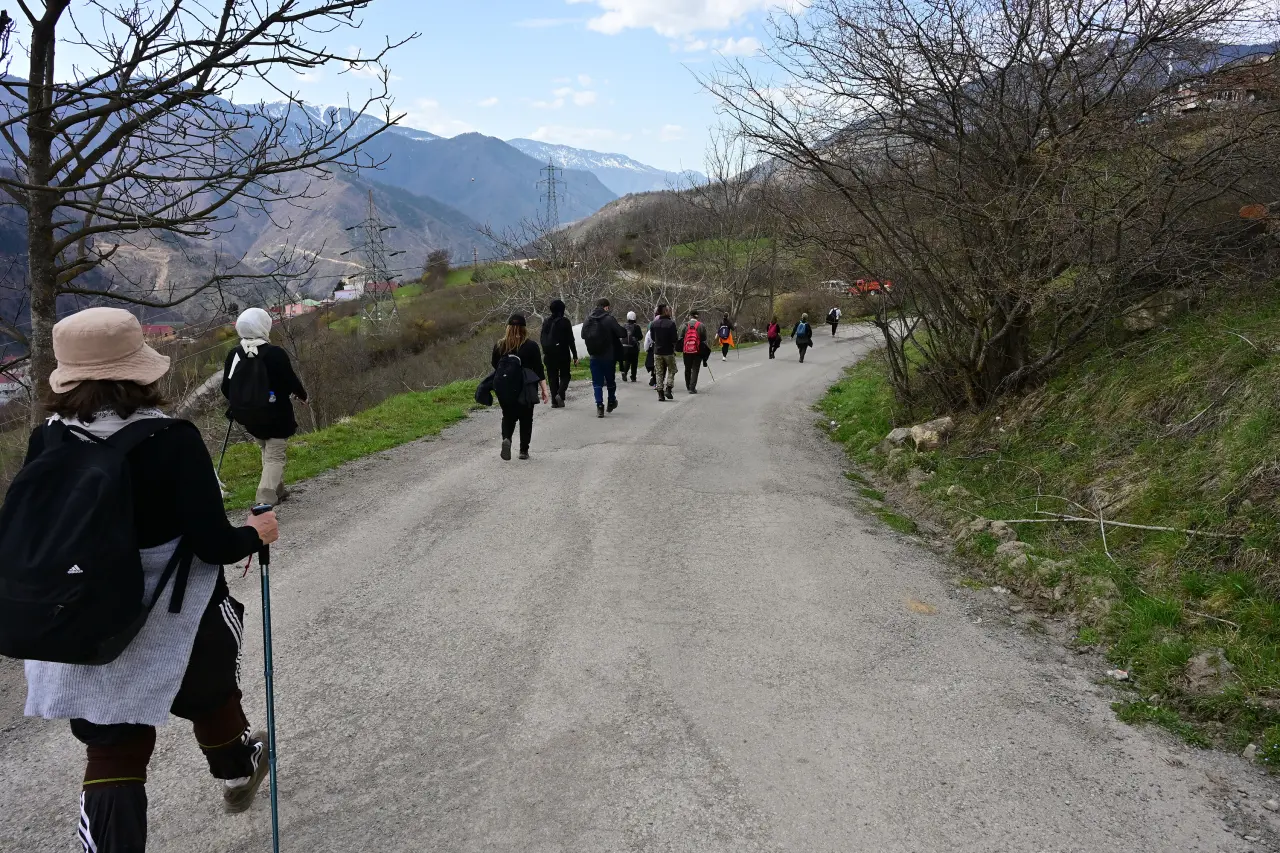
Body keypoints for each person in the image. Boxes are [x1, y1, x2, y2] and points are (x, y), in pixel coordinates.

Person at [21, 307, 280, 852]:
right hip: (171, 612)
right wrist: (256, 532)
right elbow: (213, 543)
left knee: (113, 749)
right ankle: (236, 771)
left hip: (79, 615)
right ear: (139, 371)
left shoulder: (48, 439)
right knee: (209, 684)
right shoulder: (171, 439)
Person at [221, 307, 307, 506]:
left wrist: (243, 403)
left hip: (249, 416)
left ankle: (278, 490)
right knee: (275, 456)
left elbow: (226, 386)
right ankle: (265, 499)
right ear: (263, 326)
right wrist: (303, 396)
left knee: (265, 449)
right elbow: (290, 380)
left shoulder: (234, 354)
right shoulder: (274, 353)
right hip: (276, 414)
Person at [492, 313, 549, 460]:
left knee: (508, 416)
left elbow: (495, 366)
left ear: (508, 328)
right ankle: (523, 450)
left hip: (505, 389)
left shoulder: (500, 345)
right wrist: (544, 389)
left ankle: (507, 439)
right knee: (526, 419)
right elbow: (539, 369)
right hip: (526, 388)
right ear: (524, 328)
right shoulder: (531, 346)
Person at [582, 297, 626, 418]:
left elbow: (582, 335)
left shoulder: (588, 319)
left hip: (594, 355)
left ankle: (599, 406)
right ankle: (611, 401)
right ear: (606, 307)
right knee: (610, 380)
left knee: (597, 382)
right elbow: (622, 333)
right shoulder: (609, 319)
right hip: (608, 356)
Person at [539, 298, 578, 408]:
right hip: (563, 353)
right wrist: (575, 355)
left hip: (549, 354)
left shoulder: (546, 321)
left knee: (552, 377)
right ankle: (560, 394)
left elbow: (542, 338)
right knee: (565, 375)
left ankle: (554, 402)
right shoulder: (565, 321)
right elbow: (571, 339)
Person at [649, 304, 679, 401]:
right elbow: (675, 338)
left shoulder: (653, 324)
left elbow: (652, 338)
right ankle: (669, 388)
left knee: (659, 372)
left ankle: (660, 393)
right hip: (668, 351)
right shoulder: (671, 324)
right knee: (672, 369)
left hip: (657, 351)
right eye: (668, 310)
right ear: (665, 311)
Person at [678, 309, 709, 394]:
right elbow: (704, 338)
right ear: (697, 316)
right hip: (697, 351)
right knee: (695, 369)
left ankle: (688, 386)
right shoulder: (701, 325)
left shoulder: (684, 325)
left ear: (690, 316)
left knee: (687, 368)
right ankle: (692, 387)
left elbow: (680, 338)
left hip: (686, 351)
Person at [619, 311, 643, 382]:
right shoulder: (637, 327)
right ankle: (633, 377)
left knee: (627, 361)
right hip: (633, 347)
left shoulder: (623, 326)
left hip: (624, 346)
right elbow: (640, 337)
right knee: (634, 362)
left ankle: (625, 372)